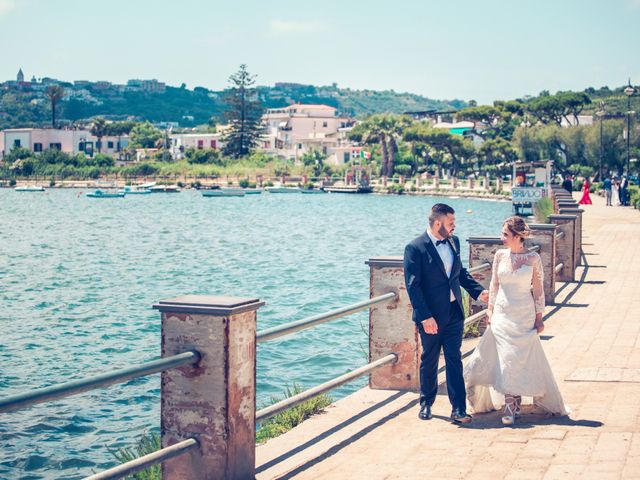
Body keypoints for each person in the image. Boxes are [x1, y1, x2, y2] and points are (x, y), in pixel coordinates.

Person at [464, 217, 569, 425]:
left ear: (518, 236)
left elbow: (538, 290)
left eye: (505, 234)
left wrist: (540, 318)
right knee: (504, 357)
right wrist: (490, 310)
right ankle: (510, 403)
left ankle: (514, 401)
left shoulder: (533, 259)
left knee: (516, 357)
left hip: (524, 313)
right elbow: (494, 285)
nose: (502, 238)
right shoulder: (500, 256)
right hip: (502, 311)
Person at [404, 203, 489, 424]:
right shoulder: (415, 248)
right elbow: (414, 287)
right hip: (430, 316)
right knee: (429, 359)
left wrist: (480, 293)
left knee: (454, 359)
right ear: (438, 223)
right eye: (451, 223)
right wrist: (425, 317)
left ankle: (458, 409)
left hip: (454, 313)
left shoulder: (454, 241)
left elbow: (460, 274)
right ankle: (426, 403)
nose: (454, 227)